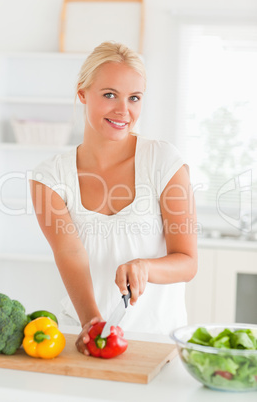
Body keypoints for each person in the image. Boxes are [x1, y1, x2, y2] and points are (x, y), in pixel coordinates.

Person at [29, 41, 198, 356]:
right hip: (84, 333)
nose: (124, 111)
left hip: (158, 339)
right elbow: (70, 256)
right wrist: (92, 325)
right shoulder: (49, 178)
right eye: (109, 95)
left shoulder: (163, 161)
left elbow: (187, 262)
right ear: (82, 93)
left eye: (134, 98)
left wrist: (145, 266)